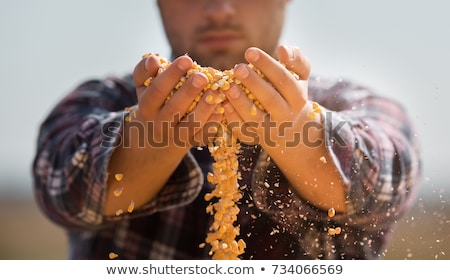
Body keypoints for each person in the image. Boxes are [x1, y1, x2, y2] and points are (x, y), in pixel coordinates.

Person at [32, 0, 421, 260]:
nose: (218, 9)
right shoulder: (103, 99)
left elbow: (386, 179)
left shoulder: (352, 103)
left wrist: (302, 133)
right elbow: (63, 187)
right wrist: (149, 138)